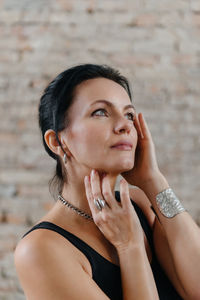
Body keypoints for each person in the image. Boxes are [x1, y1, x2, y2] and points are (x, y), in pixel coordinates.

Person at [14, 64, 200, 300]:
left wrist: (153, 180)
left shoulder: (140, 203)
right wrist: (129, 246)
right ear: (57, 142)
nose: (124, 125)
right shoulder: (40, 250)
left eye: (129, 115)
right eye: (100, 112)